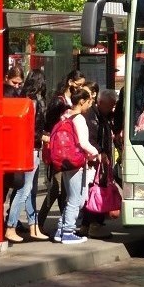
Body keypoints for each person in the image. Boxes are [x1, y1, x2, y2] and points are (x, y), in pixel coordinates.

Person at [37, 71, 84, 233]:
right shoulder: (59, 101)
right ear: (70, 82)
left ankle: (65, 225)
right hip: (58, 149)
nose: (80, 88)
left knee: (65, 189)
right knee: (57, 187)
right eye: (78, 85)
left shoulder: (72, 100)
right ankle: (40, 222)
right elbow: (49, 125)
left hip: (68, 149)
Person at [5, 69, 49, 242]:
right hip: (31, 148)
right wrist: (44, 136)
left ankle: (33, 225)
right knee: (24, 190)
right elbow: (31, 129)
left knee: (30, 190)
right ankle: (11, 226)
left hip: (28, 148)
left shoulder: (22, 100)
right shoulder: (34, 102)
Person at [54, 87, 99, 244]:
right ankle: (67, 232)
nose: (90, 105)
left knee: (72, 198)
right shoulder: (79, 119)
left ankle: (61, 229)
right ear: (82, 101)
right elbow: (83, 142)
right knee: (76, 199)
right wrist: (96, 153)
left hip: (65, 161)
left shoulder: (65, 115)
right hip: (77, 162)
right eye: (89, 101)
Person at [78, 88, 117, 239]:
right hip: (96, 160)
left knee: (96, 192)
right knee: (97, 193)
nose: (112, 108)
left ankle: (86, 226)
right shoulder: (92, 116)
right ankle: (93, 225)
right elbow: (92, 138)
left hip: (101, 158)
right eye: (110, 105)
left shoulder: (103, 115)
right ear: (100, 103)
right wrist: (100, 152)